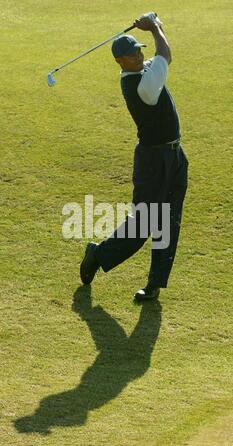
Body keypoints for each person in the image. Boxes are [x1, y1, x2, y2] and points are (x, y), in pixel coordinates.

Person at [80, 12, 188, 301]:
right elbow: (164, 53)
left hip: (175, 158)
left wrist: (157, 25)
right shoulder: (141, 85)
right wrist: (154, 27)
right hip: (154, 163)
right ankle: (98, 255)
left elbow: (160, 56)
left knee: (169, 221)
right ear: (120, 61)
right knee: (143, 225)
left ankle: (154, 284)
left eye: (138, 51)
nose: (138, 57)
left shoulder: (143, 71)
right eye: (131, 55)